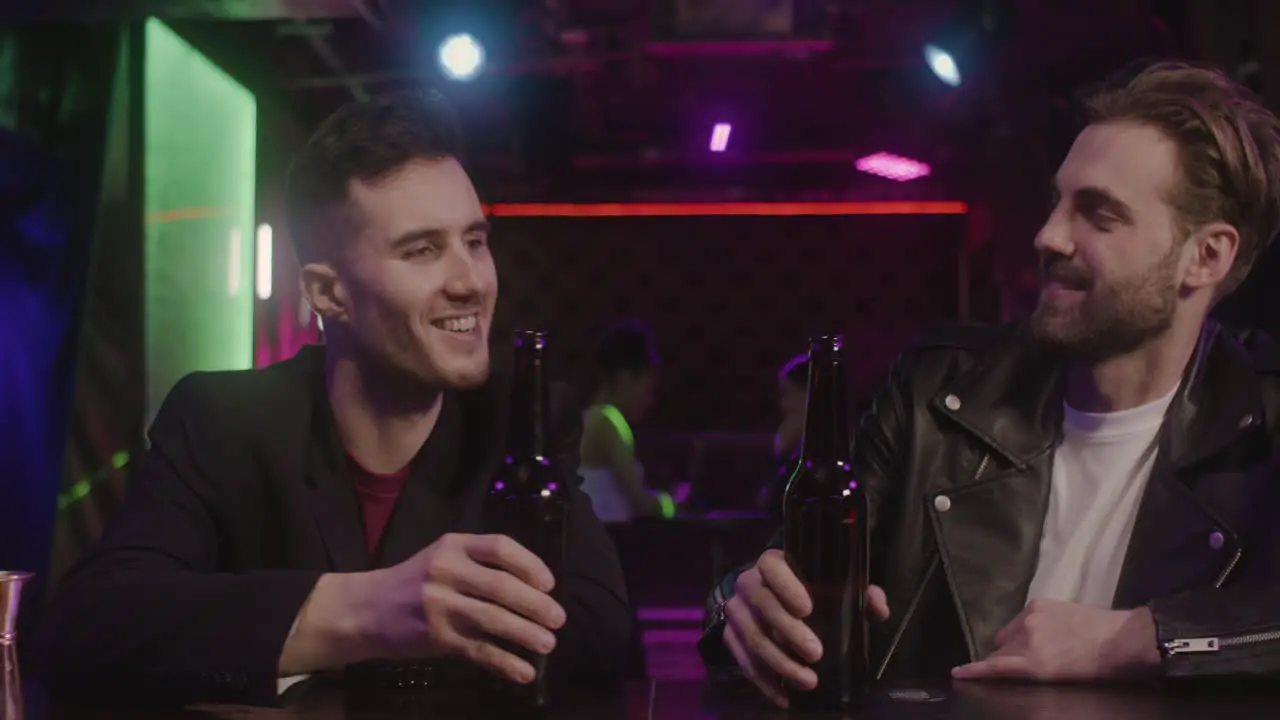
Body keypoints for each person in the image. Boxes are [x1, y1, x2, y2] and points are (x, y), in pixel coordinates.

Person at [699, 59, 1280, 708]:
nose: (1049, 235)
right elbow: (779, 587)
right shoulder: (937, 396)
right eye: (1057, 202)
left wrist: (1140, 637)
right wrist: (739, 608)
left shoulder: (1263, 426)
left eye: (1099, 214)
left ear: (1206, 256)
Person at [31, 90, 631, 706]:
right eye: (422, 250)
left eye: (474, 242)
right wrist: (361, 611)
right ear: (327, 293)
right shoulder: (225, 420)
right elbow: (86, 628)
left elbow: (604, 637)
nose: (470, 281)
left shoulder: (520, 420)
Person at [577, 320, 669, 521]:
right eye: (648, 390)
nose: (650, 401)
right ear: (626, 378)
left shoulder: (591, 418)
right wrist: (670, 503)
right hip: (607, 542)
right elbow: (642, 503)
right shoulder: (609, 422)